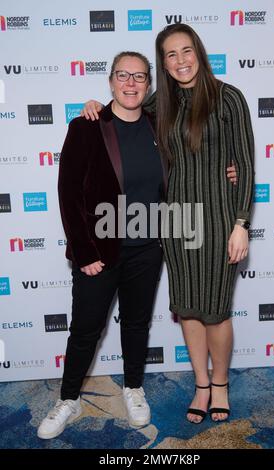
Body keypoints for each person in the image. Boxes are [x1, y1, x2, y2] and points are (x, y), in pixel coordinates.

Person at [82, 24, 254, 425]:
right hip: (176, 222)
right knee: (189, 310)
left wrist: (241, 222)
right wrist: (95, 107)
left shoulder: (229, 98)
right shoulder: (161, 101)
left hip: (218, 219)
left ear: (199, 52)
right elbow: (125, 111)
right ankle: (200, 384)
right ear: (163, 63)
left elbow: (244, 164)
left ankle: (221, 383)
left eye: (186, 50)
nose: (180, 61)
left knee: (216, 310)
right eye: (170, 55)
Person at [37, 51, 167, 439]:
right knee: (85, 328)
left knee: (137, 322)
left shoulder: (160, 126)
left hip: (148, 246)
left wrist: (229, 169)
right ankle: (69, 397)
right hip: (99, 250)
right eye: (123, 76)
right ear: (111, 81)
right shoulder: (87, 125)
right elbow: (68, 194)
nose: (131, 83)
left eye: (139, 77)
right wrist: (85, 252)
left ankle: (132, 387)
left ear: (148, 84)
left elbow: (192, 164)